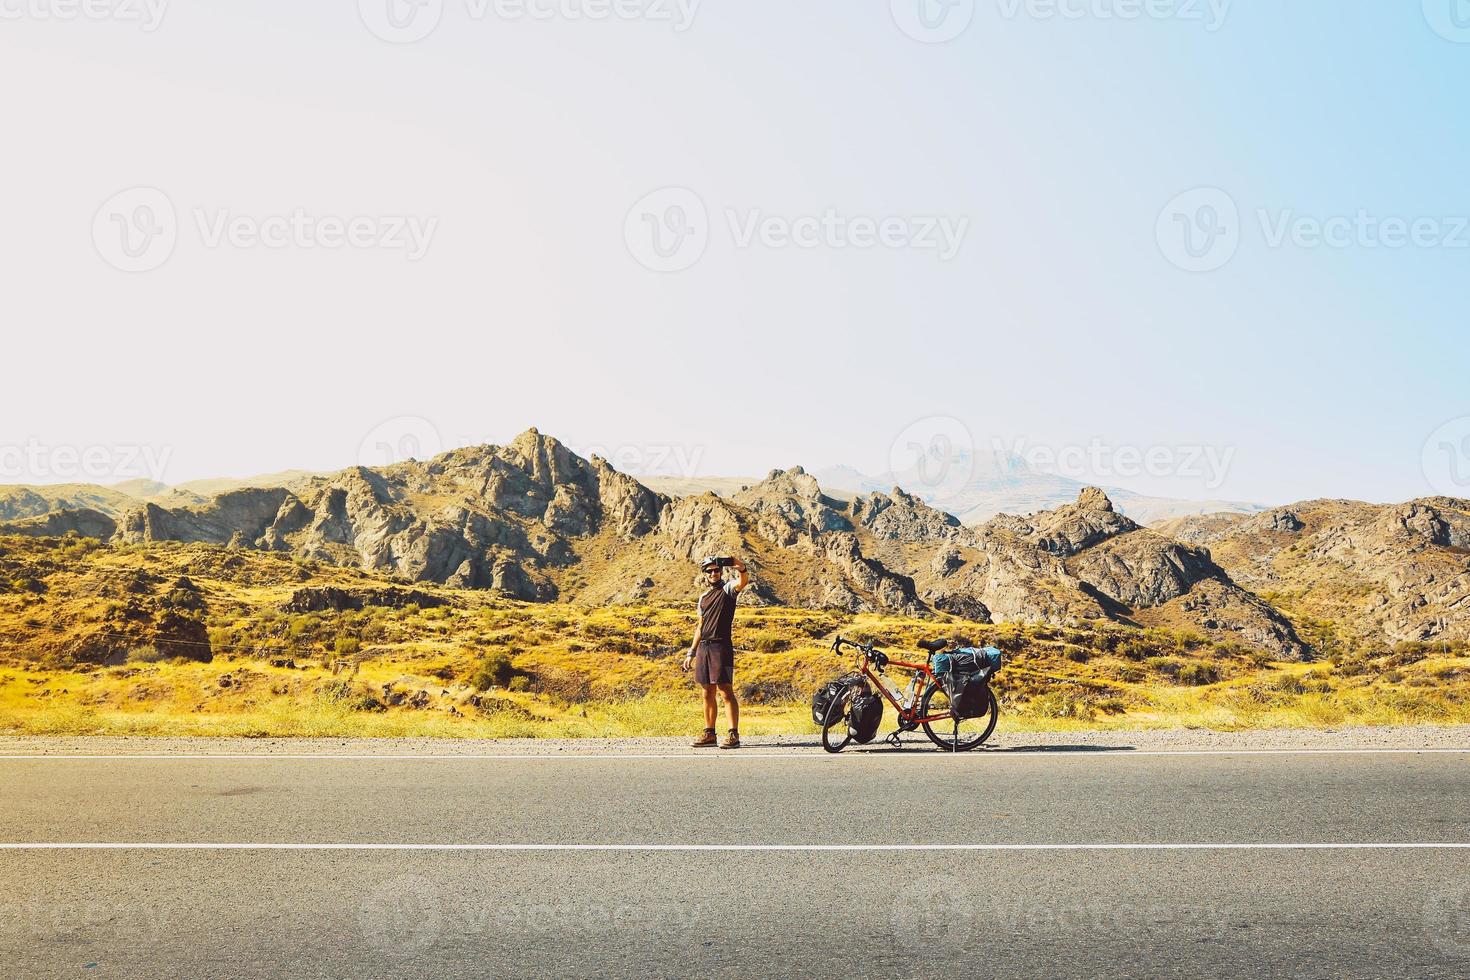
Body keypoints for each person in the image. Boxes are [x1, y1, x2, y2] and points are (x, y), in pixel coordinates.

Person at [683, 555, 749, 748]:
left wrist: (741, 567)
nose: (713, 573)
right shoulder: (703, 598)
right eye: (709, 571)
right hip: (705, 647)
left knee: (725, 690)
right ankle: (709, 733)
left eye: (716, 570)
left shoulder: (728, 590)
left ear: (721, 572)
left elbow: (743, 582)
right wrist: (691, 652)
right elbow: (700, 626)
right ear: (705, 575)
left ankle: (733, 734)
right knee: (707, 691)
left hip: (722, 646)